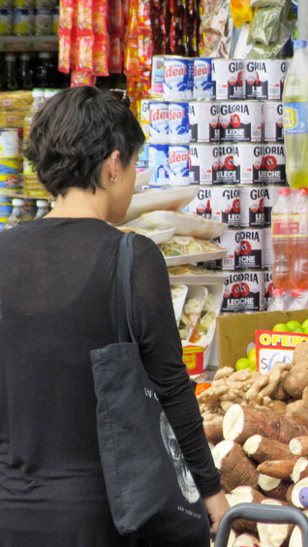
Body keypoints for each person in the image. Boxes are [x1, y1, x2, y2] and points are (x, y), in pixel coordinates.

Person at [0, 86, 229, 546]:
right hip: (103, 515)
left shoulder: (4, 253)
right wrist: (212, 491)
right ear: (112, 164)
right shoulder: (130, 256)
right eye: (134, 167)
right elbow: (170, 384)